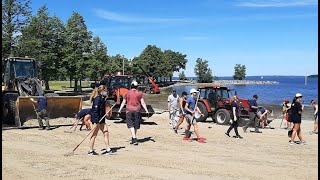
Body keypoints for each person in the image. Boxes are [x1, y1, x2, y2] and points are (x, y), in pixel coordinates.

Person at [118, 80, 149, 145]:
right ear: (137, 86)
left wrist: (119, 110)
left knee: (130, 124)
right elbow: (142, 102)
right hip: (137, 110)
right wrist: (146, 110)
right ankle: (134, 137)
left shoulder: (127, 93)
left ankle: (134, 138)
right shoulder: (140, 93)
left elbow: (123, 102)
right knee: (136, 124)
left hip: (129, 110)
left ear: (131, 86)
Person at [88, 85, 113, 155]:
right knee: (94, 135)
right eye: (105, 90)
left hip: (102, 119)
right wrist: (96, 120)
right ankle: (90, 150)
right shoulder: (97, 99)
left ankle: (108, 149)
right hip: (96, 120)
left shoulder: (102, 98)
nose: (106, 92)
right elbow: (95, 110)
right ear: (101, 91)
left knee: (106, 133)